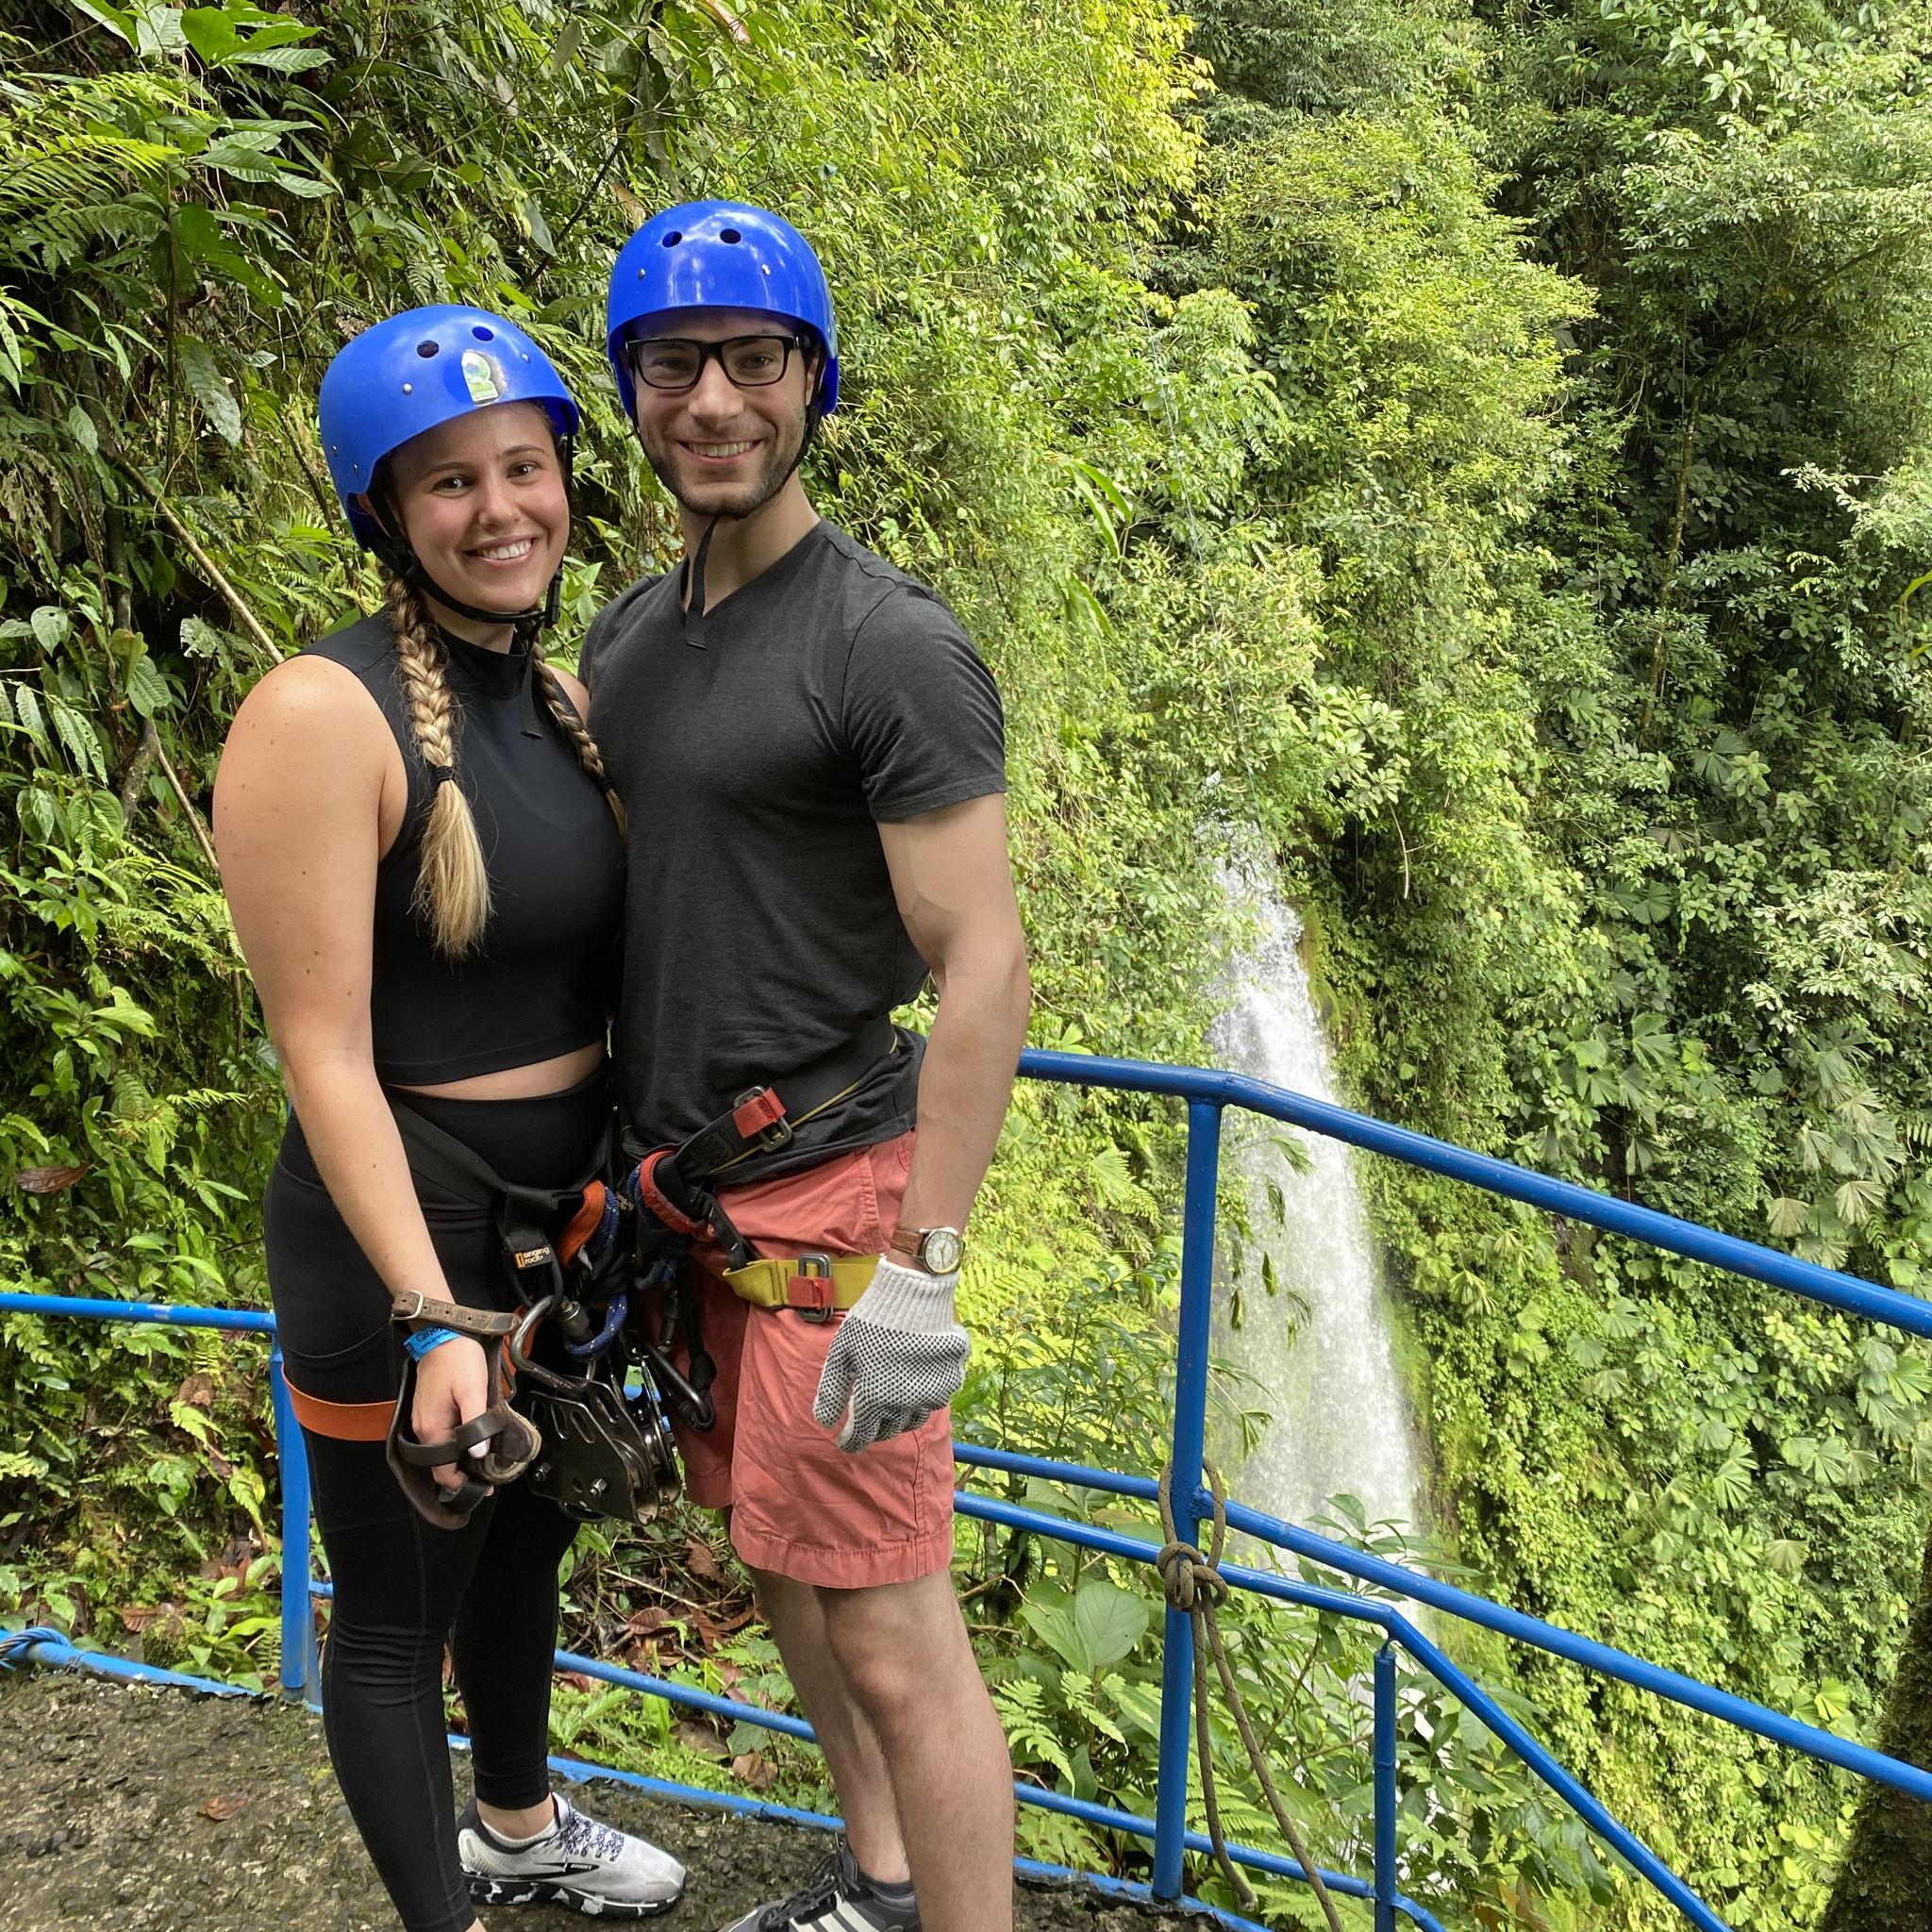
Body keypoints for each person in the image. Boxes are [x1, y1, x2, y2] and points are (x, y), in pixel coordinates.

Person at [582, 203, 1032, 1932]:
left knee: (898, 1632)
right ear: (631, 392)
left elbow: (980, 956)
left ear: (812, 387)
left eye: (753, 362)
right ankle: (879, 1883)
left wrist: (927, 1269)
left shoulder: (883, 643)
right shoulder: (632, 635)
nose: (714, 401)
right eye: (674, 365)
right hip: (693, 1200)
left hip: (835, 1201)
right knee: (781, 1565)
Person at [213, 306, 686, 1932]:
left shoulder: (556, 703)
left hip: (557, 1234)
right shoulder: (317, 716)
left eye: (525, 469)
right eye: (447, 484)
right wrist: (430, 1313)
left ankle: (518, 1823)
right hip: (398, 1230)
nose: (500, 510)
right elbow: (323, 1051)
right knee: (400, 1617)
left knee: (523, 1552)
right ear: (384, 513)